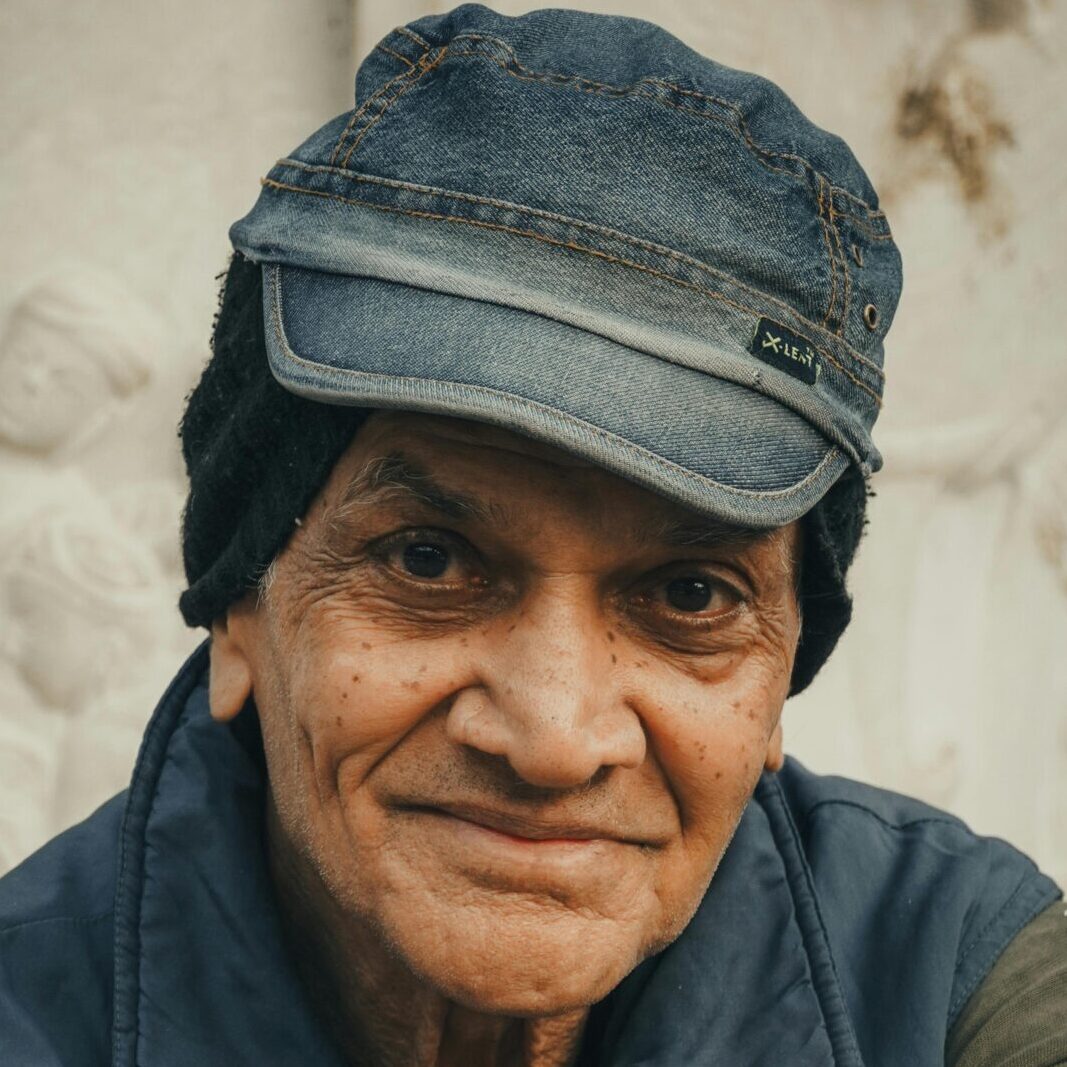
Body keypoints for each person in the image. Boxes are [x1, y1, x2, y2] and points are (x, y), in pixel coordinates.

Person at [1, 5, 1064, 1065]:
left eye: (689, 594)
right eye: (428, 559)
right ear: (240, 604)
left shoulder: (959, 980)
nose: (552, 737)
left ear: (781, 669)